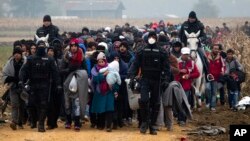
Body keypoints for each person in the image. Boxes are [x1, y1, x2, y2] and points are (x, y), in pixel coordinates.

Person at [128, 31, 171, 135]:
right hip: (145, 79)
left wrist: (166, 79)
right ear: (147, 38)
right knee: (143, 100)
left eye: (153, 36)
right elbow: (135, 65)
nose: (152, 38)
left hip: (157, 80)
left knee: (155, 103)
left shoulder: (162, 52)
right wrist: (132, 77)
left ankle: (152, 125)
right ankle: (144, 122)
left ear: (156, 38)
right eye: (150, 36)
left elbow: (166, 68)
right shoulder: (141, 51)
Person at [19, 41, 61, 132]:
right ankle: (34, 120)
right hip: (33, 84)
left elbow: (55, 72)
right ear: (37, 47)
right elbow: (23, 71)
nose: (41, 48)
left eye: (43, 46)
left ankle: (41, 124)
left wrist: (58, 84)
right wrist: (21, 80)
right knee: (31, 104)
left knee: (43, 105)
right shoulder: (31, 58)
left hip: (45, 85)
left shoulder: (50, 59)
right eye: (40, 46)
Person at [175, 47, 200, 125]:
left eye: (187, 54)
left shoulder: (192, 63)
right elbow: (173, 73)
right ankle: (179, 118)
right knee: (178, 102)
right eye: (184, 54)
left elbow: (197, 73)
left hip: (186, 87)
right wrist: (179, 71)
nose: (186, 56)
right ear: (181, 54)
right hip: (178, 86)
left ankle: (183, 119)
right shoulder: (177, 62)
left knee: (185, 103)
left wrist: (189, 76)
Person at [179, 11, 208, 76]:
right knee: (177, 58)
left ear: (195, 18)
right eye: (190, 18)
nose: (191, 19)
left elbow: (204, 36)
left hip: (197, 46)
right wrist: (182, 42)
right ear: (188, 18)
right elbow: (180, 35)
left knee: (205, 58)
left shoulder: (199, 25)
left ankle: (207, 74)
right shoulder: (184, 25)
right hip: (186, 46)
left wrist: (199, 39)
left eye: (193, 18)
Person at [2, 48, 25, 130]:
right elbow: (4, 75)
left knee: (22, 106)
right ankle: (14, 122)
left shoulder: (25, 62)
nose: (16, 55)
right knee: (14, 105)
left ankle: (20, 122)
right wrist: (12, 79)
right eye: (15, 53)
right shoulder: (10, 63)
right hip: (13, 87)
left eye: (18, 53)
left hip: (23, 88)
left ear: (21, 54)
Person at [206, 44, 226, 111]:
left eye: (217, 49)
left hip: (215, 78)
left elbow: (223, 66)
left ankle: (212, 106)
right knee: (207, 89)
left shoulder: (220, 58)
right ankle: (208, 102)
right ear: (212, 49)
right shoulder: (207, 56)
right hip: (208, 77)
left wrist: (222, 72)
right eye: (215, 48)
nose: (216, 50)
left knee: (214, 92)